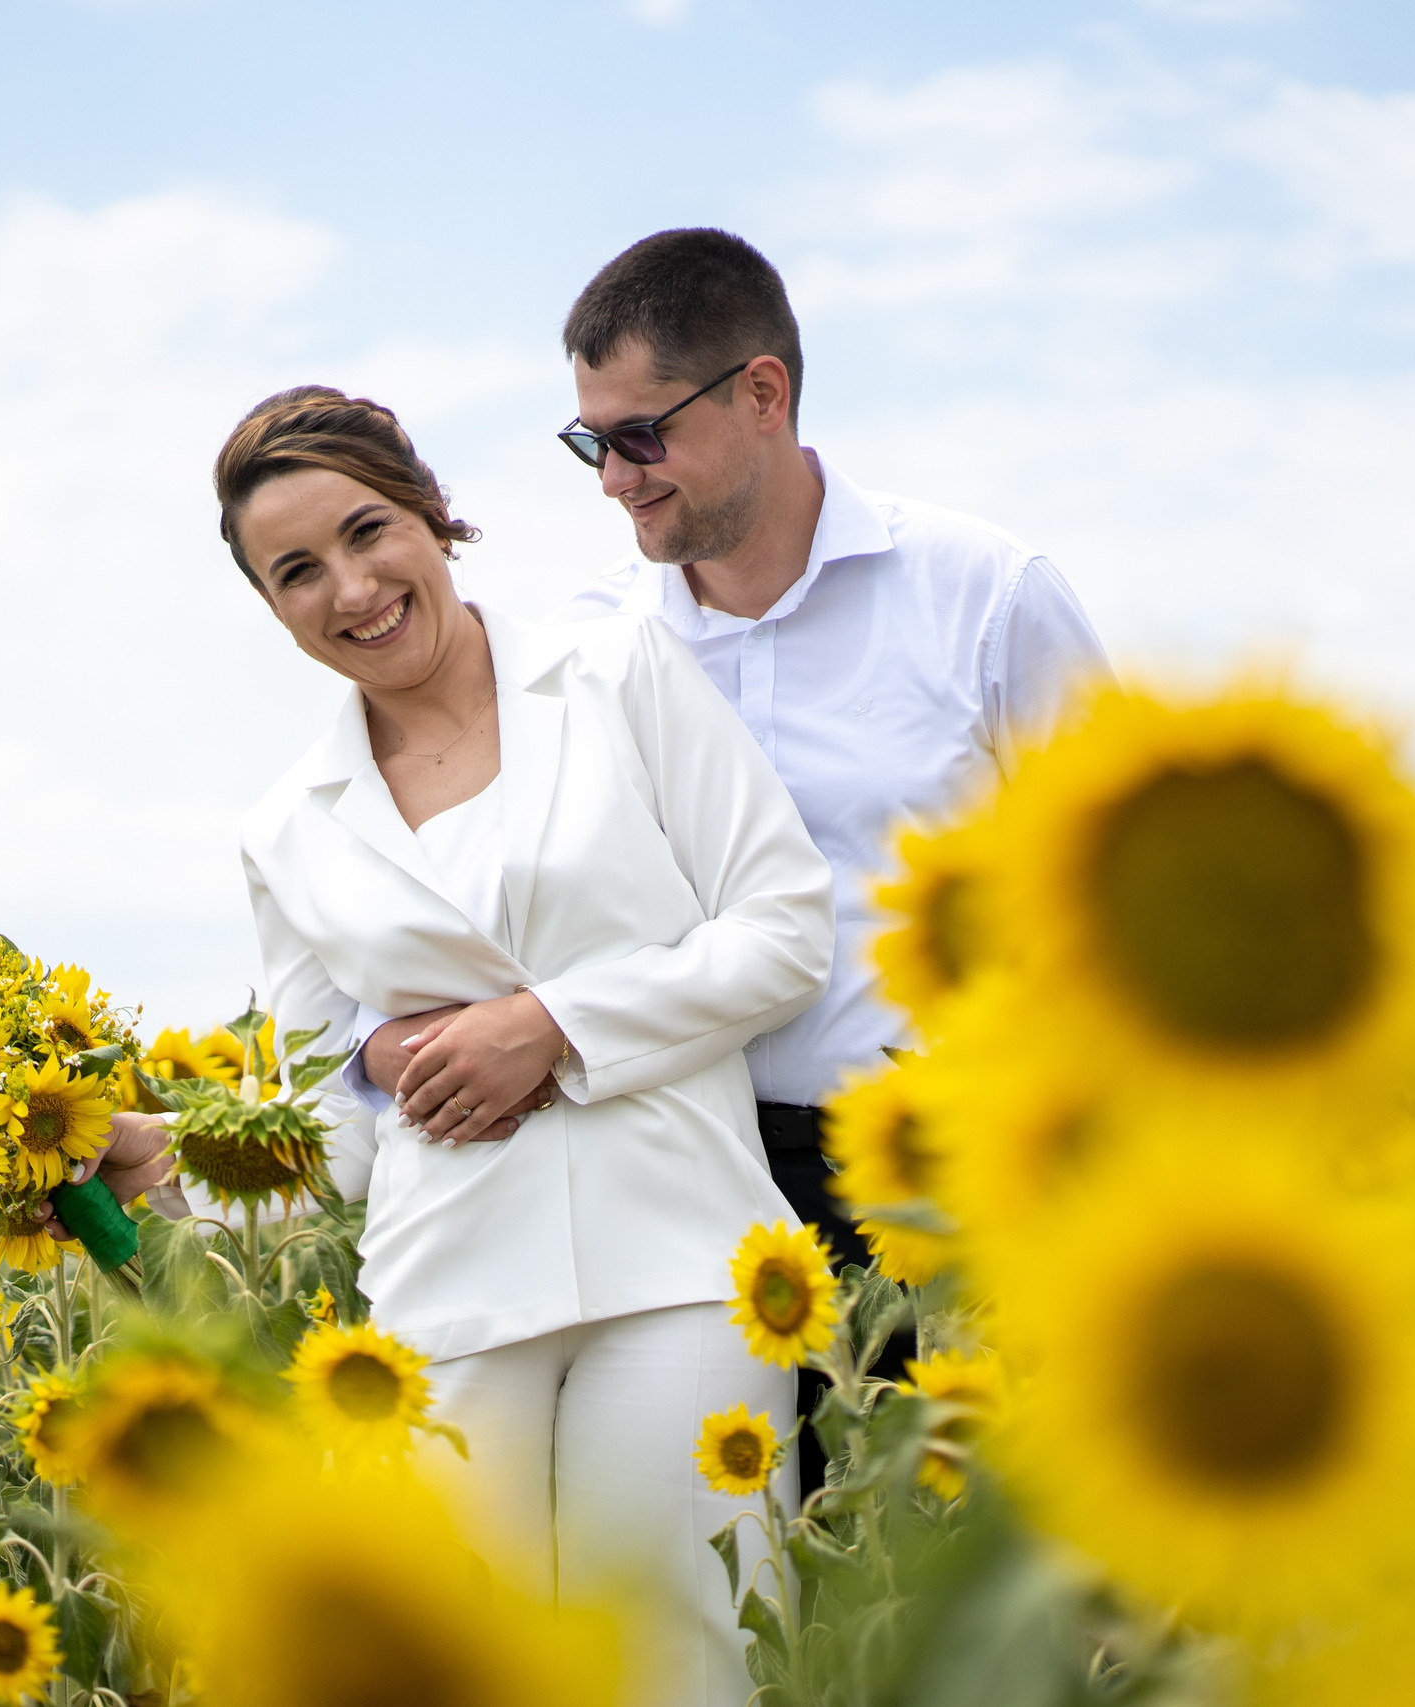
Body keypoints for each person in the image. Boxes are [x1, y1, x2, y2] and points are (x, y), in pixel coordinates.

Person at [74, 385, 835, 1707]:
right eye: (297, 571)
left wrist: (549, 1027)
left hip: (681, 1265)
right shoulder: (288, 828)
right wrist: (163, 1152)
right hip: (445, 1309)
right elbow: (336, 1137)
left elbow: (781, 931)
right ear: (270, 606)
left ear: (431, 512)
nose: (352, 587)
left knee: (685, 1668)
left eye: (369, 531)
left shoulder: (619, 676)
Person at [550, 228, 1109, 1439]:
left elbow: (1115, 910)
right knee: (725, 1595)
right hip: (676, 1191)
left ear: (763, 394)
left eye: (642, 437)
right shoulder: (584, 643)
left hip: (943, 1199)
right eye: (590, 443)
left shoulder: (987, 596)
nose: (613, 479)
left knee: (922, 1578)